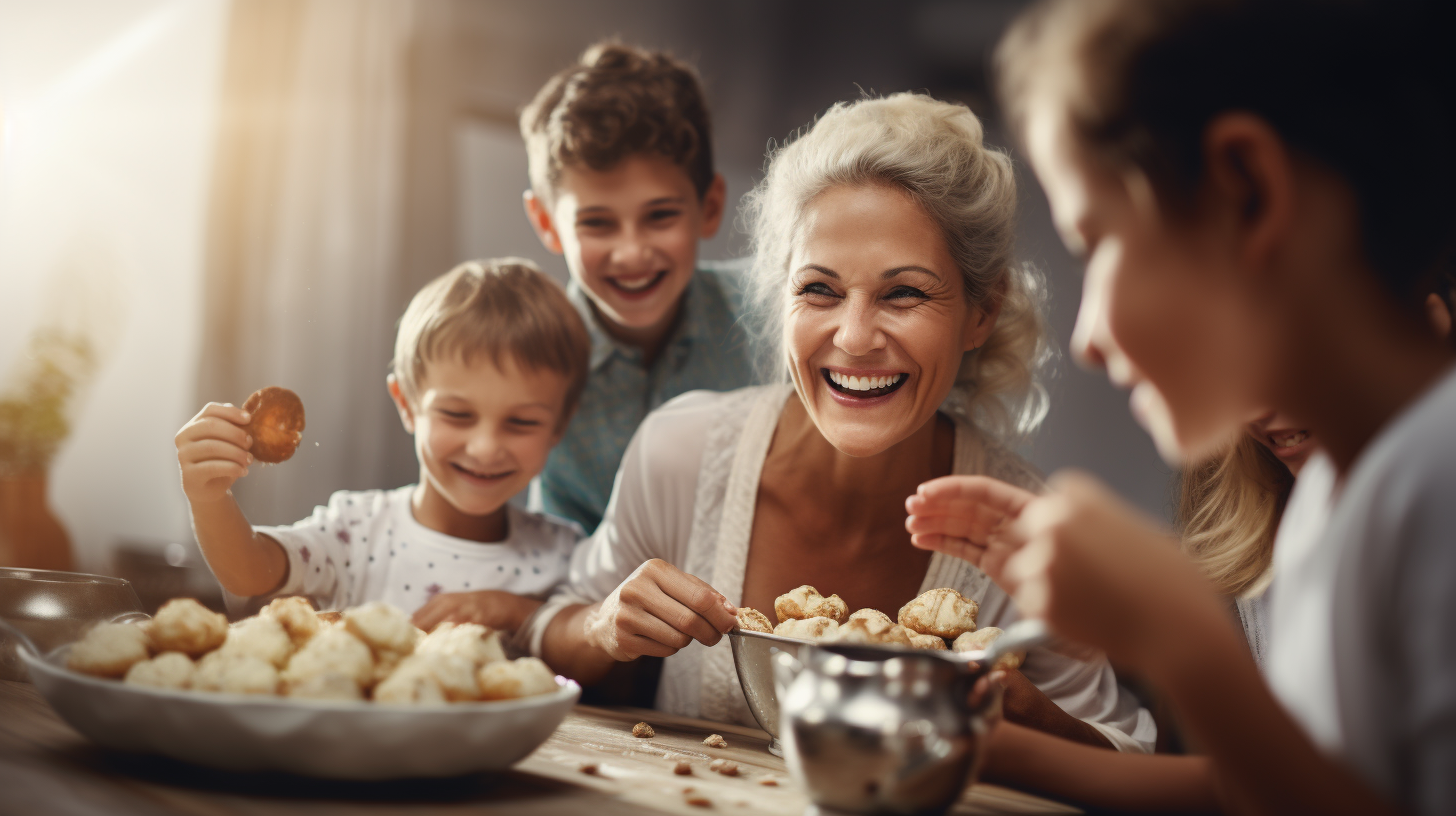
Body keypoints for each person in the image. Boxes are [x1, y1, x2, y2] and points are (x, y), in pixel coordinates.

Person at [905, 0, 1456, 812]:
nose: (1088, 338)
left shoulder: (1434, 486)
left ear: (1246, 191)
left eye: (1099, 241)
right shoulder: (1327, 505)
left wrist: (1183, 639)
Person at [523, 92, 1156, 751]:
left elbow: (1128, 749)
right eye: (819, 289)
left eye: (904, 292)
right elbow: (547, 634)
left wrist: (1029, 720)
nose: (854, 339)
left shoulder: (1024, 527)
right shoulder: (678, 453)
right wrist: (599, 625)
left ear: (981, 312)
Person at [177, 259, 589, 632]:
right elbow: (249, 571)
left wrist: (521, 612)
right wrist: (209, 497)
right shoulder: (356, 531)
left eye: (521, 422)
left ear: (559, 426)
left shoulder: (566, 557)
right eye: (457, 415)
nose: (484, 448)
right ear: (407, 404)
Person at [520, 41, 755, 535]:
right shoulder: (534, 373)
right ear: (546, 222)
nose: (631, 253)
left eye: (660, 216)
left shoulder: (777, 316)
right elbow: (558, 558)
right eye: (598, 224)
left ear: (709, 206)